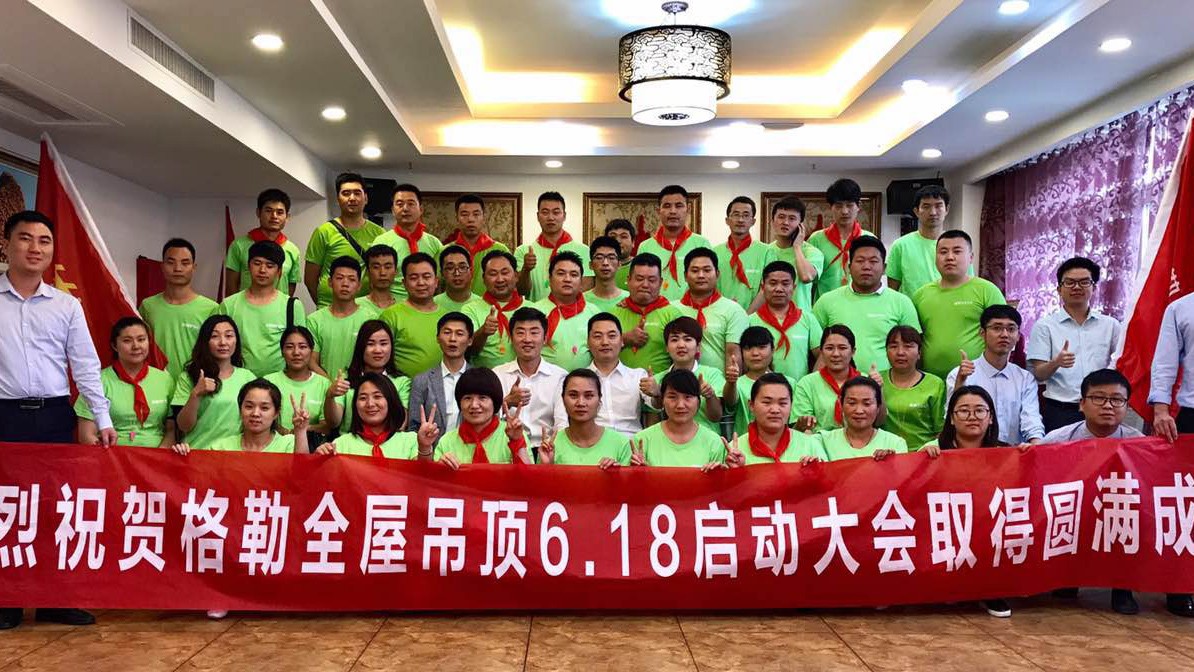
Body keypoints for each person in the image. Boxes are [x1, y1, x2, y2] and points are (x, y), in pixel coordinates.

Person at [1036, 368, 1142, 614]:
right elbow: (1033, 472)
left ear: (1127, 406)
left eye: (1117, 400)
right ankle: (1067, 577)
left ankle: (1122, 588)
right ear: (1082, 404)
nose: (1108, 406)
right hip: (1074, 513)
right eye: (1099, 398)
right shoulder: (1058, 439)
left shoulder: (1140, 443)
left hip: (1117, 513)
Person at [921, 385, 1014, 619]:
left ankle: (991, 591)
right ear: (951, 419)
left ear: (990, 417)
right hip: (947, 526)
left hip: (988, 526)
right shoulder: (932, 450)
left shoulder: (1006, 453)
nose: (972, 416)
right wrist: (923, 462)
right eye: (963, 411)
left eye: (980, 410)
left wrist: (1027, 458)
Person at [1027, 257, 1123, 431]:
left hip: (1102, 409)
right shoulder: (1044, 326)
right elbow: (1038, 374)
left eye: (1084, 282)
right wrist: (1056, 363)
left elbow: (1122, 365)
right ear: (1059, 289)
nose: (1077, 287)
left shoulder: (1111, 325)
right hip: (1061, 410)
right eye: (1070, 282)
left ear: (1094, 287)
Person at [1148, 293, 1194, 618]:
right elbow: (1164, 362)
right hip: (1192, 413)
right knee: (1187, 504)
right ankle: (1181, 586)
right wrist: (1161, 409)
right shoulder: (1181, 308)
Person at [813, 237, 920, 372]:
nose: (866, 267)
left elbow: (913, 348)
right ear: (849, 267)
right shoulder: (826, 301)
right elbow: (814, 347)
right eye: (860, 261)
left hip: (886, 382)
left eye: (873, 261)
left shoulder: (902, 302)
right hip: (837, 381)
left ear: (884, 268)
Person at [913, 230, 1007, 380]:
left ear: (971, 257)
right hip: (931, 380)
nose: (950, 257)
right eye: (943, 252)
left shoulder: (987, 291)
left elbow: (1003, 334)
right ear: (935, 258)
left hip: (976, 379)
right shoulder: (920, 295)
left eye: (957, 251)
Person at [945, 305, 1044, 445]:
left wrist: (1036, 446)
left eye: (1011, 329)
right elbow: (951, 419)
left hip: (1013, 453)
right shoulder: (959, 374)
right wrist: (960, 383)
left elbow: (1031, 419)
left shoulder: (1025, 378)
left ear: (1018, 336)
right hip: (973, 452)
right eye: (997, 328)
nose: (1004, 334)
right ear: (982, 333)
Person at [76, 317, 175, 447]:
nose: (136, 346)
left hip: (157, 454)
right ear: (114, 345)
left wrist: (158, 456)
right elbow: (86, 435)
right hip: (112, 454)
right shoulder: (96, 382)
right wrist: (111, 456)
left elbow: (172, 430)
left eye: (141, 339)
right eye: (127, 341)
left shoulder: (165, 379)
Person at [217, 240, 305, 376]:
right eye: (257, 263)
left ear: (279, 271)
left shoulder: (292, 306)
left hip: (280, 382)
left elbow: (301, 350)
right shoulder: (229, 305)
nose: (262, 270)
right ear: (248, 266)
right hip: (238, 380)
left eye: (270, 266)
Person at [171, 315, 258, 449]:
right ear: (205, 341)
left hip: (234, 454)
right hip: (199, 451)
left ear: (236, 340)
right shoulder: (189, 376)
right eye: (215, 336)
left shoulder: (247, 377)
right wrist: (196, 394)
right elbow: (183, 426)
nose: (223, 342)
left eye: (229, 336)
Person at [140, 238, 218, 380]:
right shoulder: (148, 306)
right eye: (171, 262)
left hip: (195, 383)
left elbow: (216, 353)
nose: (178, 268)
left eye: (185, 263)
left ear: (194, 267)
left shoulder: (211, 308)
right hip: (156, 382)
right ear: (162, 266)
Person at [642, 316, 734, 437]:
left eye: (687, 339)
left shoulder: (712, 374)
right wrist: (657, 394)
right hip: (669, 441)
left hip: (706, 440)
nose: (681, 345)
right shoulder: (657, 379)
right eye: (674, 340)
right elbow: (655, 415)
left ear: (698, 346)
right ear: (667, 347)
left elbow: (715, 417)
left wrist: (710, 395)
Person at [304, 172, 384, 308]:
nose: (352, 198)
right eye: (346, 193)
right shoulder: (324, 232)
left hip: (366, 309)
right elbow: (310, 279)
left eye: (357, 193)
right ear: (338, 199)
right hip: (329, 307)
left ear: (365, 198)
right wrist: (326, 306)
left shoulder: (379, 233)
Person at [494, 307, 568, 455]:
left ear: (545, 338)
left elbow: (562, 424)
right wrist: (507, 402)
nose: (527, 339)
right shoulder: (497, 375)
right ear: (511, 338)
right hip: (506, 448)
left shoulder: (559, 377)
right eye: (520, 333)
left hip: (546, 448)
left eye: (534, 333)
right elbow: (485, 420)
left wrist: (551, 449)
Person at [315, 373, 438, 459]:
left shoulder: (411, 440)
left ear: (391, 401)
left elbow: (423, 477)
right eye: (363, 398)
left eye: (377, 396)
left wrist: (424, 447)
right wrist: (321, 459)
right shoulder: (341, 444)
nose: (370, 404)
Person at [172, 378, 309, 455]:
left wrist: (301, 431)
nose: (255, 413)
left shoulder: (289, 444)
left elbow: (302, 473)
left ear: (276, 413)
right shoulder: (222, 447)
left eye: (264, 408)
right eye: (249, 406)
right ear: (240, 409)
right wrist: (184, 456)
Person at [323, 320, 411, 435]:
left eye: (383, 344)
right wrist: (330, 396)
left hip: (389, 442)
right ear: (360, 347)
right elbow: (334, 422)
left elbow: (401, 424)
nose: (378, 350)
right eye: (370, 344)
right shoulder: (346, 379)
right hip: (350, 442)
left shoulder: (402, 381)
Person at [631, 369, 729, 469]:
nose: (680, 405)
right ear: (662, 400)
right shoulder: (643, 440)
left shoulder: (713, 443)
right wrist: (640, 472)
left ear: (698, 401)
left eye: (688, 397)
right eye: (672, 397)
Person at [793, 325, 883, 433]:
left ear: (853, 351)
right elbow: (801, 429)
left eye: (842, 348)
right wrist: (804, 424)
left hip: (859, 440)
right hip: (820, 441)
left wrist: (878, 388)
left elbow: (879, 422)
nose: (835, 354)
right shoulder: (807, 383)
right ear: (821, 351)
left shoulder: (866, 381)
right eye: (829, 348)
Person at [435, 367, 532, 466]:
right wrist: (440, 469)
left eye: (482, 398)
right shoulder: (446, 441)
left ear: (495, 402)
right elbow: (434, 476)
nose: (474, 405)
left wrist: (516, 441)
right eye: (467, 398)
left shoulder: (515, 434)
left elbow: (529, 474)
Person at [539, 369, 632, 468]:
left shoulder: (620, 443)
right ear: (563, 399)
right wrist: (547, 466)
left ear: (599, 400)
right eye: (573, 395)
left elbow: (630, 478)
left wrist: (616, 474)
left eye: (589, 396)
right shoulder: (549, 446)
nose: (581, 403)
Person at [747, 261, 823, 382]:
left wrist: (810, 384)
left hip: (799, 390)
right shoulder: (750, 321)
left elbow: (823, 354)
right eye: (773, 283)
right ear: (763, 287)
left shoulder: (807, 319)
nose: (779, 289)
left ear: (794, 287)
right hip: (762, 390)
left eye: (785, 284)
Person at [609, 253, 685, 372]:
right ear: (628, 280)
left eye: (652, 280)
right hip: (618, 382)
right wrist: (624, 339)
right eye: (639, 279)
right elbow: (597, 349)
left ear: (660, 282)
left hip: (660, 382)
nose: (645, 285)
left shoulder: (673, 315)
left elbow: (683, 357)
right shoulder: (613, 314)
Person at [678, 247, 748, 374]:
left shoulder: (733, 310)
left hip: (718, 384)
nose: (701, 275)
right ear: (685, 276)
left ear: (717, 274)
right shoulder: (672, 309)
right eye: (695, 271)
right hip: (679, 383)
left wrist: (728, 385)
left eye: (707, 270)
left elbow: (733, 354)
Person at [635, 185, 712, 301]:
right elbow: (639, 282)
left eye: (679, 206)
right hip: (655, 309)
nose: (673, 211)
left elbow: (710, 284)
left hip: (691, 309)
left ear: (688, 209)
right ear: (658, 211)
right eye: (667, 206)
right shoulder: (645, 247)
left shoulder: (701, 243)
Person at [371, 183, 444, 301]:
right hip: (392, 305)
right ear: (393, 210)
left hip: (427, 305)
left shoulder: (434, 243)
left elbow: (440, 281)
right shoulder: (381, 242)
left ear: (421, 209)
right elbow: (374, 281)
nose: (405, 208)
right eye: (400, 204)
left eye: (411, 204)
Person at [516, 191, 593, 301]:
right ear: (538, 216)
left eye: (556, 212)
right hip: (536, 311)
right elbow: (521, 291)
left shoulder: (583, 250)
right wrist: (526, 269)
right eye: (545, 212)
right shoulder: (523, 251)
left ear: (564, 216)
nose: (550, 217)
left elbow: (586, 289)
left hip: (573, 311)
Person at [380, 252, 447, 377]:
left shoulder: (447, 317)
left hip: (442, 386)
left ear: (436, 281)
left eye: (426, 277)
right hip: (403, 387)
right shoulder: (391, 316)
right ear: (404, 283)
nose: (421, 282)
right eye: (414, 278)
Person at [528, 250, 597, 371]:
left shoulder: (594, 312)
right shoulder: (534, 312)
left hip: (586, 380)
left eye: (574, 275)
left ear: (581, 281)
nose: (567, 279)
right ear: (550, 279)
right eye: (561, 274)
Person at [224, 188, 301, 295]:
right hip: (245, 305)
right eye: (268, 211)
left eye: (279, 212)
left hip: (280, 306)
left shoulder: (293, 250)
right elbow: (231, 287)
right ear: (258, 213)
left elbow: (290, 288)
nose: (274, 216)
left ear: (287, 217)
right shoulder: (239, 246)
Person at [737, 373, 826, 465]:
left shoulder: (810, 445)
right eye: (767, 402)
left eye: (782, 403)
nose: (775, 410)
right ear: (751, 405)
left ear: (791, 405)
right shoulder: (736, 450)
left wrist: (815, 471)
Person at [880, 326, 946, 451]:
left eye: (908, 346)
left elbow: (941, 429)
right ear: (886, 351)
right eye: (893, 346)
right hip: (885, 454)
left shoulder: (935, 384)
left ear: (919, 352)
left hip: (924, 453)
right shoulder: (877, 380)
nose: (900, 352)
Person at [807, 179, 875, 299]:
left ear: (859, 206)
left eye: (849, 205)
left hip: (859, 303)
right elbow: (809, 282)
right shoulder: (816, 239)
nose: (844, 211)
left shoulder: (869, 239)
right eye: (838, 206)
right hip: (825, 305)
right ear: (831, 207)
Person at [587, 312, 651, 438]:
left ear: (622, 341)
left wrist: (656, 393)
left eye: (611, 336)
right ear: (588, 342)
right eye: (597, 336)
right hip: (593, 442)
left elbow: (655, 404)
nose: (605, 342)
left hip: (630, 441)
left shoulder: (638, 376)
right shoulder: (579, 380)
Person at [407, 312, 472, 437]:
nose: (452, 339)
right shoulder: (422, 380)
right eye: (447, 332)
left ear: (470, 340)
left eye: (459, 334)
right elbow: (413, 427)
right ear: (437, 338)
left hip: (470, 447)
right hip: (432, 447)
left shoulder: (478, 379)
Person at [308, 256, 374, 378]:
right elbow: (311, 362)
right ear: (330, 282)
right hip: (325, 386)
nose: (345, 284)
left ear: (359, 285)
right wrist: (332, 385)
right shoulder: (314, 320)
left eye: (351, 279)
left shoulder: (370, 319)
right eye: (339, 278)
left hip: (360, 387)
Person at [817, 377, 908, 461]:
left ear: (878, 407)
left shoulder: (895, 444)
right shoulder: (822, 441)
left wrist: (890, 463)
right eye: (852, 403)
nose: (859, 411)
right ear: (841, 405)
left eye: (867, 404)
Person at [264, 326, 331, 438]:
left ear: (311, 351)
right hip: (273, 444)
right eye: (289, 347)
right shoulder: (268, 382)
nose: (296, 352)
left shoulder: (324, 384)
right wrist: (281, 431)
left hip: (311, 445)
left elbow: (327, 427)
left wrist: (302, 429)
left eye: (302, 347)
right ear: (282, 351)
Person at [731, 326, 798, 436]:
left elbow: (793, 423)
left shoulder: (790, 383)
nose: (755, 353)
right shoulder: (736, 384)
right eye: (748, 348)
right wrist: (731, 382)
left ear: (772, 350)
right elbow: (730, 402)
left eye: (762, 347)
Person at [886, 185, 951, 296]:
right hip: (911, 307)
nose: (933, 212)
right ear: (916, 211)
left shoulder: (957, 245)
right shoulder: (901, 245)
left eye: (938, 206)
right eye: (926, 206)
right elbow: (893, 292)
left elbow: (966, 283)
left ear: (947, 209)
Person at [714, 196, 776, 307]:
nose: (740, 220)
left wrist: (747, 315)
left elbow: (767, 288)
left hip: (754, 315)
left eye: (746, 215)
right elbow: (709, 287)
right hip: (720, 313)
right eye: (736, 214)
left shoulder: (766, 252)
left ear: (753, 221)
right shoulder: (715, 252)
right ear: (727, 220)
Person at [765, 196, 821, 312]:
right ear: (772, 221)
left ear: (800, 225)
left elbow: (806, 277)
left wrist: (797, 247)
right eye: (781, 217)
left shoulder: (812, 252)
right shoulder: (765, 251)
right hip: (769, 317)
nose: (785, 222)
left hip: (800, 317)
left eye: (792, 218)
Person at [444, 194, 509, 295]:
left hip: (489, 304)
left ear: (484, 218)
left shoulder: (500, 250)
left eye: (476, 214)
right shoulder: (445, 251)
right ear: (457, 218)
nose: (470, 219)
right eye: (464, 214)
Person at [473, 250, 524, 368]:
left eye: (505, 273)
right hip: (486, 378)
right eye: (493, 274)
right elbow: (468, 351)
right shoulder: (471, 309)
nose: (500, 279)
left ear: (516, 276)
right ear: (483, 279)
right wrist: (483, 332)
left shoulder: (532, 308)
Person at [434, 245, 490, 334]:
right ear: (442, 273)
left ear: (471, 271)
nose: (457, 273)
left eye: (462, 267)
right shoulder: (432, 304)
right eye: (450, 268)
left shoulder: (483, 305)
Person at [584, 235, 630, 313]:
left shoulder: (629, 300)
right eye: (599, 258)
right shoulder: (581, 301)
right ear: (590, 265)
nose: (605, 263)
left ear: (619, 264)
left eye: (611, 258)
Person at [358, 244, 398, 313]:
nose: (382, 273)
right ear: (367, 272)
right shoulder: (355, 307)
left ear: (396, 271)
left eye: (388, 267)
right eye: (376, 267)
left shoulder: (405, 308)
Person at [603, 218, 637, 290]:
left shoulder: (639, 267)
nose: (618, 241)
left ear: (633, 242)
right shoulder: (598, 267)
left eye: (624, 237)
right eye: (613, 237)